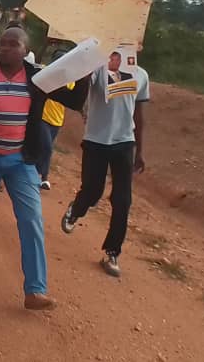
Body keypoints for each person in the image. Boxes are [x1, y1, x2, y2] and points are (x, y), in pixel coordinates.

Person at [0, 27, 88, 311]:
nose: (4, 48)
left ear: (26, 50)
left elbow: (73, 101)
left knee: (32, 220)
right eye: (2, 43)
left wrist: (85, 71)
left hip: (21, 162)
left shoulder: (38, 77)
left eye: (12, 44)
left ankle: (35, 289)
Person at [61, 51, 149, 278]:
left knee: (123, 200)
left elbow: (138, 115)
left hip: (124, 143)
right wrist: (89, 63)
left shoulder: (140, 75)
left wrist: (140, 150)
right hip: (96, 141)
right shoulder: (99, 70)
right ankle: (76, 210)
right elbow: (80, 94)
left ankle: (112, 252)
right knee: (92, 191)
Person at [36, 48, 73, 191]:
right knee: (47, 148)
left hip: (57, 120)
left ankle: (38, 175)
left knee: (45, 149)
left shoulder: (69, 79)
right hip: (42, 117)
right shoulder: (44, 71)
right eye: (58, 60)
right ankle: (42, 177)